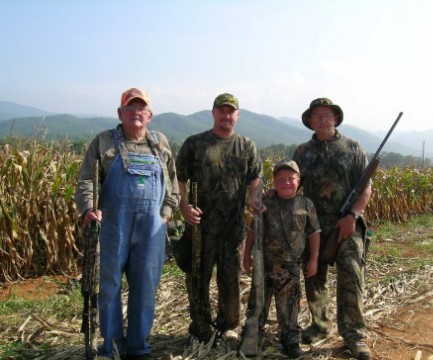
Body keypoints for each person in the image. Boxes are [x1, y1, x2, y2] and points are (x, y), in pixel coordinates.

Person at [74, 88, 180, 359]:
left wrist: (166, 214)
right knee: (109, 286)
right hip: (113, 227)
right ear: (120, 113)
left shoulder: (160, 143)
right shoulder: (104, 142)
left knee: (145, 288)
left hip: (152, 230)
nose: (136, 113)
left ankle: (138, 347)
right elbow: (86, 180)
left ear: (150, 115)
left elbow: (172, 184)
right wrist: (88, 208)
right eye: (130, 108)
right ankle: (110, 347)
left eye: (141, 108)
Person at [175, 93, 263, 344]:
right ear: (213, 112)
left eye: (230, 111)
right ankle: (200, 328)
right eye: (221, 110)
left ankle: (228, 326)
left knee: (230, 279)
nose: (226, 115)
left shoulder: (246, 146)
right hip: (200, 227)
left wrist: (254, 197)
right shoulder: (195, 144)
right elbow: (178, 178)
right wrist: (184, 206)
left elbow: (255, 178)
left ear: (237, 115)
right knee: (197, 278)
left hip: (233, 228)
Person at [293, 98, 372, 360]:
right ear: (310, 121)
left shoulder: (353, 147)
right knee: (314, 278)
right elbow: (293, 185)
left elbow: (365, 188)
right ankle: (319, 326)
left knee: (351, 277)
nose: (323, 119)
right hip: (313, 228)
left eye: (327, 115)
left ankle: (355, 336)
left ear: (335, 118)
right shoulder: (302, 152)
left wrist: (353, 215)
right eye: (317, 116)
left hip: (346, 226)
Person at [241, 160, 321, 358]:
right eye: (281, 180)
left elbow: (314, 233)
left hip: (290, 267)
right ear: (274, 182)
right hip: (264, 264)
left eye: (290, 179)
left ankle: (290, 339)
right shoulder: (266, 203)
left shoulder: (306, 204)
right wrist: (246, 256)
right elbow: (253, 230)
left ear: (298, 181)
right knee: (257, 304)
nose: (286, 183)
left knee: (289, 309)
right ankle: (252, 336)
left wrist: (314, 259)